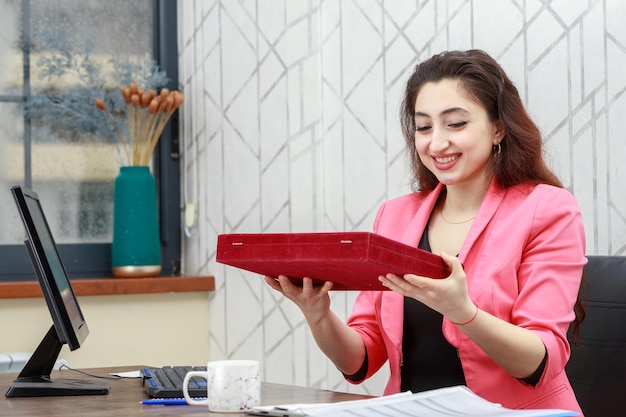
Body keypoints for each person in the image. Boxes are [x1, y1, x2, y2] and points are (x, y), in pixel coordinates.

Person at [264, 49, 586, 413]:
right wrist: (317, 313)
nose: (436, 143)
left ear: (498, 128)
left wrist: (463, 312)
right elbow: (361, 360)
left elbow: (541, 362)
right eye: (423, 127)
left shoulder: (547, 209)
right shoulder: (395, 216)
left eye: (456, 124)